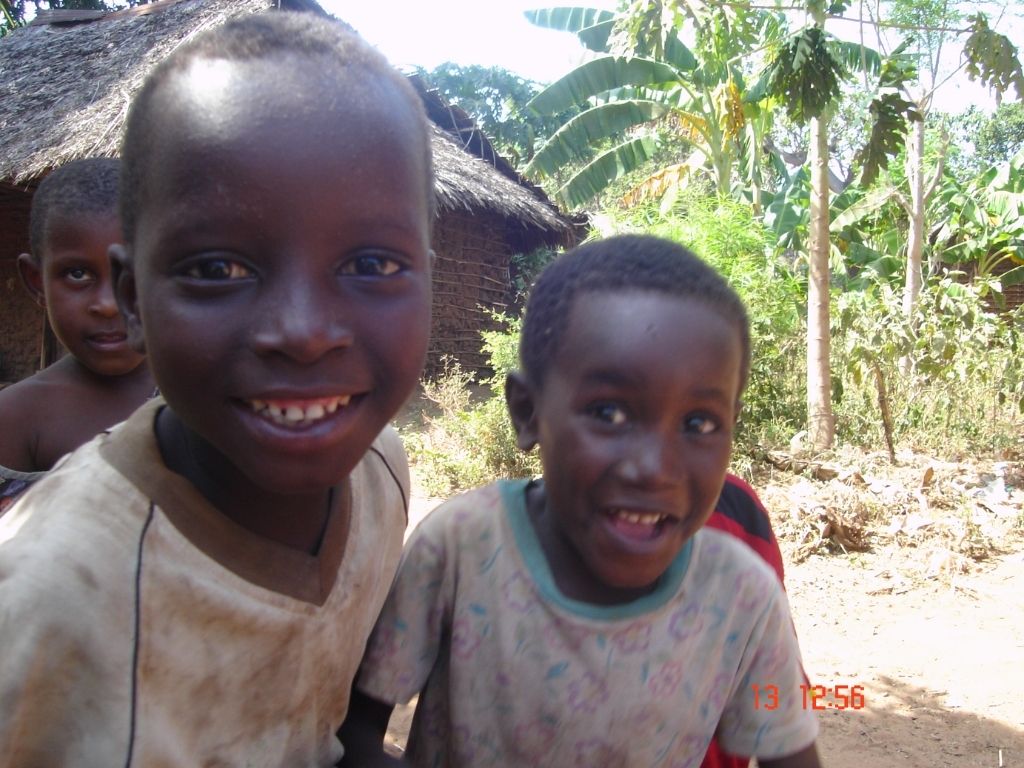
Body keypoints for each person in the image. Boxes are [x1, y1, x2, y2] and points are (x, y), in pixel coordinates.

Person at [0, 12, 434, 767]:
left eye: (372, 264)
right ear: (133, 301)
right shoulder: (57, 604)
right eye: (218, 269)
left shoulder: (381, 470)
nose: (303, 332)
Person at [341, 235, 821, 768]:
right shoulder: (461, 548)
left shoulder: (742, 596)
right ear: (528, 412)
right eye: (608, 413)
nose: (654, 467)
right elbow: (355, 736)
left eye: (699, 423)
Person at [0, 157, 153, 513]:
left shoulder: (204, 394)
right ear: (36, 282)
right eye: (78, 274)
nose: (108, 305)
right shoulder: (17, 416)